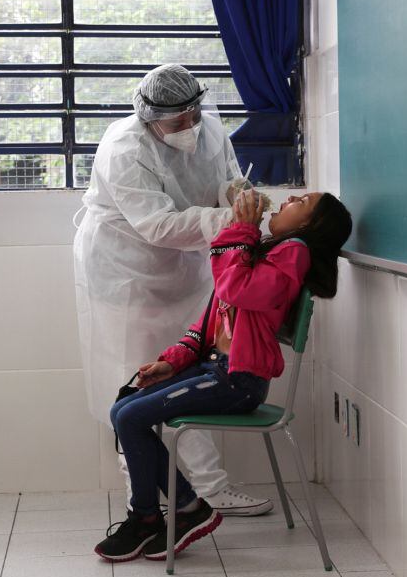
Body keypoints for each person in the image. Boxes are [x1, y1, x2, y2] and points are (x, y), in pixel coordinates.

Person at [94, 189, 354, 562]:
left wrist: (242, 229)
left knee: (132, 418)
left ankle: (160, 514)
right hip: (214, 368)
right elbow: (212, 317)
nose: (292, 196)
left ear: (310, 225)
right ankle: (171, 511)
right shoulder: (264, 251)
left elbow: (237, 288)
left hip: (238, 382)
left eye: (303, 201)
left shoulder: (294, 252)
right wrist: (173, 360)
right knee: (123, 409)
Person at [73, 64, 273, 517]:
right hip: (127, 272)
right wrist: (232, 220)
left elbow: (223, 177)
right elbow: (157, 224)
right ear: (148, 116)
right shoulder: (125, 147)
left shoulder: (211, 131)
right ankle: (141, 497)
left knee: (188, 378)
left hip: (184, 265)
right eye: (176, 121)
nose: (188, 127)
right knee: (134, 382)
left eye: (193, 115)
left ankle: (211, 488)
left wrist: (236, 193)